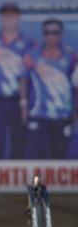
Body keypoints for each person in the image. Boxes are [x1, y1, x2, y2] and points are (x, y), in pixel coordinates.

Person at [0, 3, 33, 159]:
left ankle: (20, 181)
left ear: (18, 18)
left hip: (19, 100)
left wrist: (25, 103)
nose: (9, 19)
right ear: (1, 18)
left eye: (12, 15)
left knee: (19, 141)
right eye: (6, 16)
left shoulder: (28, 43)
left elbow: (31, 74)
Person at [21, 19, 78, 160]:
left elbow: (76, 86)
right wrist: (23, 105)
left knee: (59, 157)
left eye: (55, 33)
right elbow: (23, 80)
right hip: (38, 115)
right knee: (36, 158)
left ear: (61, 34)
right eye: (47, 33)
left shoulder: (71, 56)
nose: (51, 36)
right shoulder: (32, 55)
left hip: (62, 116)